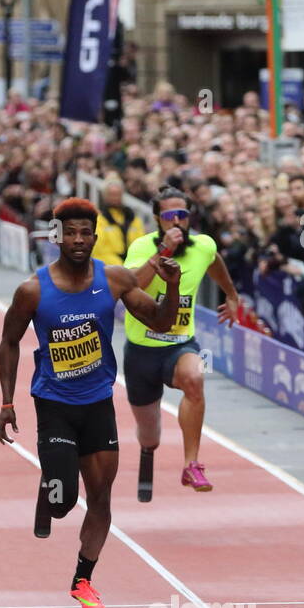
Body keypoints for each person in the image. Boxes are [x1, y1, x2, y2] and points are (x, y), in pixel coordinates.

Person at [0, 197, 181, 608]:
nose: (78, 240)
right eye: (70, 233)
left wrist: (170, 286)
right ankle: (49, 494)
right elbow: (9, 341)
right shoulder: (33, 290)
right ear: (57, 237)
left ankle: (83, 579)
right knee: (63, 501)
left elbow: (161, 322)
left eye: (85, 233)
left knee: (100, 499)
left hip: (98, 404)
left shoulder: (114, 279)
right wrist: (7, 401)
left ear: (95, 238)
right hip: (55, 403)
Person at [122, 189, 240, 499]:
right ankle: (148, 451)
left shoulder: (203, 245)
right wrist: (163, 251)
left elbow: (214, 262)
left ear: (190, 218)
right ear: (158, 220)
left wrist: (231, 294)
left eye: (182, 216)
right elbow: (133, 284)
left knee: (195, 379)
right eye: (169, 216)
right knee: (150, 435)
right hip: (141, 351)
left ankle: (192, 464)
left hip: (179, 343)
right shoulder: (141, 246)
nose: (177, 222)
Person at [90, 175, 144, 265]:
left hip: (133, 263)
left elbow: (141, 244)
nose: (115, 198)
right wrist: (121, 265)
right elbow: (99, 250)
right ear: (105, 196)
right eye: (111, 194)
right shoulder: (99, 220)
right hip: (110, 266)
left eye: (118, 194)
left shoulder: (133, 218)